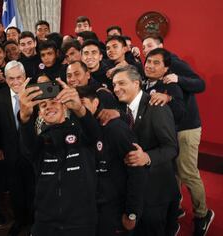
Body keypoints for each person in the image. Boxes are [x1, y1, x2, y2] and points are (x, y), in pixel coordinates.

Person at [142, 34, 214, 236]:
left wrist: (178, 78)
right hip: (170, 128)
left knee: (187, 173)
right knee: (172, 174)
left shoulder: (174, 63)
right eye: (144, 47)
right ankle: (175, 208)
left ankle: (202, 214)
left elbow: (201, 84)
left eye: (150, 45)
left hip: (186, 127)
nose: (146, 49)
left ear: (162, 47)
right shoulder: (149, 71)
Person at [18, 78, 100, 236]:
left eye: (53, 102)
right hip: (45, 222)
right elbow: (27, 147)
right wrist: (24, 118)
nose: (48, 107)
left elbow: (94, 133)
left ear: (64, 105)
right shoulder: (39, 142)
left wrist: (80, 109)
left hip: (81, 222)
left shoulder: (81, 132)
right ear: (40, 113)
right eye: (43, 105)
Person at [111, 65, 179, 236]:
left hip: (156, 192)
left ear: (136, 83)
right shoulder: (122, 109)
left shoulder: (156, 106)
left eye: (121, 83)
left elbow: (172, 148)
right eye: (114, 85)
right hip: (135, 191)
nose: (116, 89)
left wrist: (147, 157)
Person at [77, 85, 147, 236]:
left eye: (82, 104)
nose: (78, 109)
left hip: (113, 211)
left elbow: (137, 172)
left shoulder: (116, 128)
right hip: (89, 208)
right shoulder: (76, 129)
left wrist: (132, 213)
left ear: (95, 102)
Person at [0, 60, 35, 235]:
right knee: (15, 190)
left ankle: (32, 223)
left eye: (19, 77)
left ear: (25, 77)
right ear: (6, 79)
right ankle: (20, 221)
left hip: (32, 153)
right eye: (11, 78)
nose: (16, 82)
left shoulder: (35, 94)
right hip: (10, 153)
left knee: (33, 189)